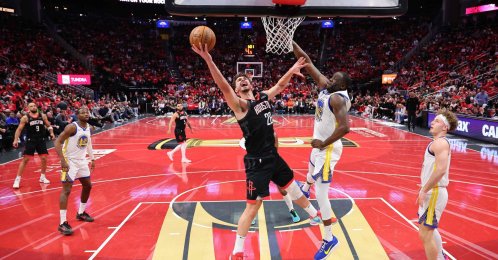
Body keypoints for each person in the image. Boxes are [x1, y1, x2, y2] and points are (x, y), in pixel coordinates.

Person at [192, 44, 321, 260]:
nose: (242, 81)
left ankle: (314, 215)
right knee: (253, 206)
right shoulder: (240, 105)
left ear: (251, 83)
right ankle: (237, 252)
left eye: (245, 79)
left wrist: (293, 68)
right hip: (256, 163)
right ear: (236, 89)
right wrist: (208, 59)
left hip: (273, 156)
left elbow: (280, 85)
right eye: (238, 81)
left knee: (292, 187)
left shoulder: (262, 97)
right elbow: (222, 85)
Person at [293, 41, 352, 259]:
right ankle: (307, 186)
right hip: (320, 146)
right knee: (309, 169)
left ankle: (329, 238)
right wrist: (287, 37)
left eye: (334, 79)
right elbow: (307, 61)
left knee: (322, 195)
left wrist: (324, 142)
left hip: (327, 149)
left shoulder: (337, 98)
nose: (329, 79)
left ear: (341, 85)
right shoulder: (330, 89)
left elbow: (346, 127)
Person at [417, 110, 457, 260]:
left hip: (434, 192)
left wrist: (424, 190)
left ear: (445, 127)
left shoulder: (440, 143)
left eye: (437, 121)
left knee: (425, 233)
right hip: (431, 191)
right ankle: (440, 257)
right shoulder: (437, 142)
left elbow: (440, 170)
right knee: (429, 230)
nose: (432, 122)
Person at [54, 107, 96, 236]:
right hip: (70, 160)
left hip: (82, 161)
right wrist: (62, 160)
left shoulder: (88, 126)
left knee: (88, 185)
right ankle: (62, 223)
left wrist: (92, 158)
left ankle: (81, 212)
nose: (86, 114)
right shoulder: (72, 127)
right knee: (66, 190)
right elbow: (57, 142)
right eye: (82, 112)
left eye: (87, 112)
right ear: (77, 115)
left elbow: (88, 143)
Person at [12, 103, 55, 189]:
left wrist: (51, 133)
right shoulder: (25, 117)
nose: (33, 107)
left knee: (44, 158)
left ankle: (42, 177)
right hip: (31, 140)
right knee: (25, 159)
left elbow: (48, 126)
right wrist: (16, 140)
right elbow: (19, 129)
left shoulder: (42, 116)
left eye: (34, 105)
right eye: (31, 106)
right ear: (28, 108)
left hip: (41, 140)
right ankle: (17, 179)